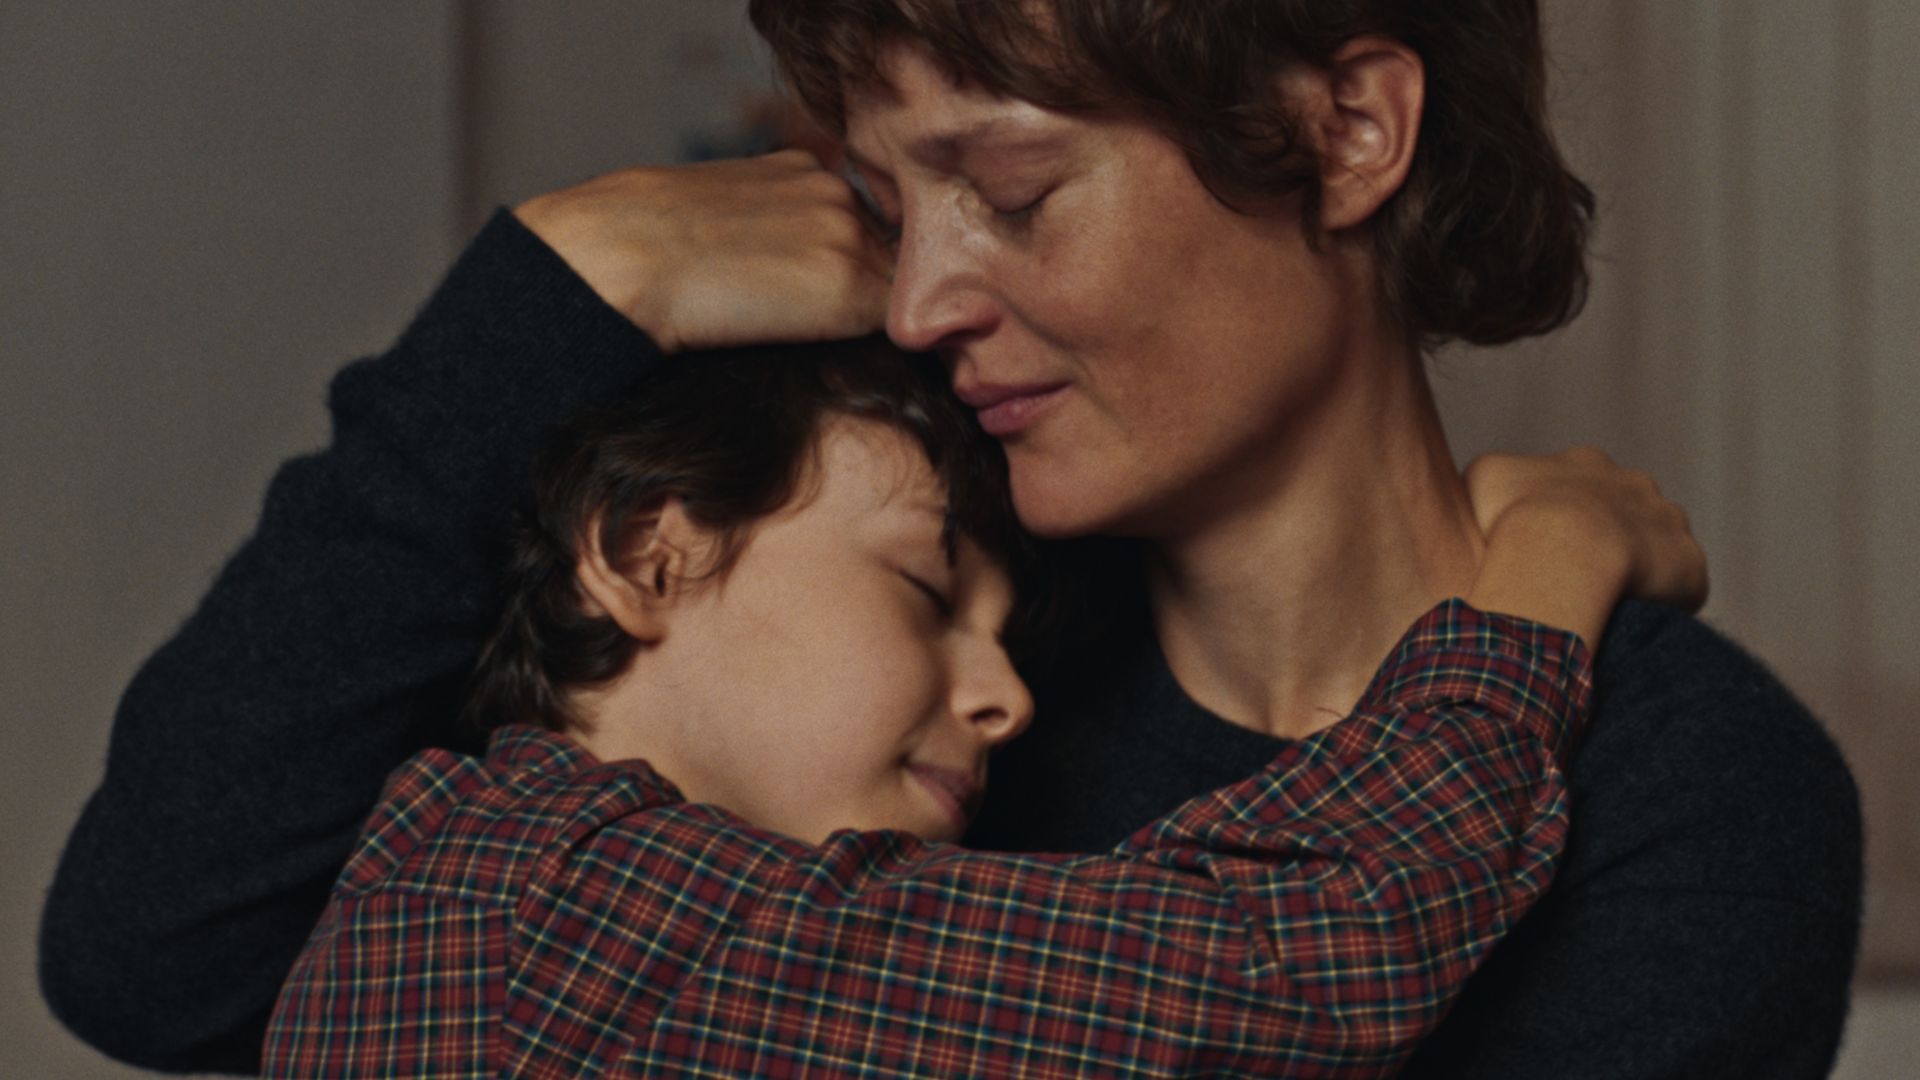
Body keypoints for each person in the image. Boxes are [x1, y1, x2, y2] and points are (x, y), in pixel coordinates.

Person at [39, 0, 1859, 1076]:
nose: (918, 302)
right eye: (887, 206)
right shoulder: (843, 691)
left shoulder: (1682, 792)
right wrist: (569, 284)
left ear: (1348, 130)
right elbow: (164, 946)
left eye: (1009, 194)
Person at [261, 343, 1655, 1076]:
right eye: (925, 591)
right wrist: (1554, 554)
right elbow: (1307, 953)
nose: (1006, 698)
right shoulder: (556, 910)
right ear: (648, 556)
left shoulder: (493, 898)